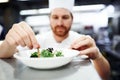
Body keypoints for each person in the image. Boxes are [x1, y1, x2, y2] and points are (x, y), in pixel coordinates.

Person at [0, 6, 110, 80]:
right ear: (49, 19)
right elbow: (4, 54)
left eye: (65, 17)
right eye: (55, 17)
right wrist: (9, 43)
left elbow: (104, 77)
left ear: (72, 19)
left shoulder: (82, 40)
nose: (60, 22)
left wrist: (98, 57)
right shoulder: (37, 39)